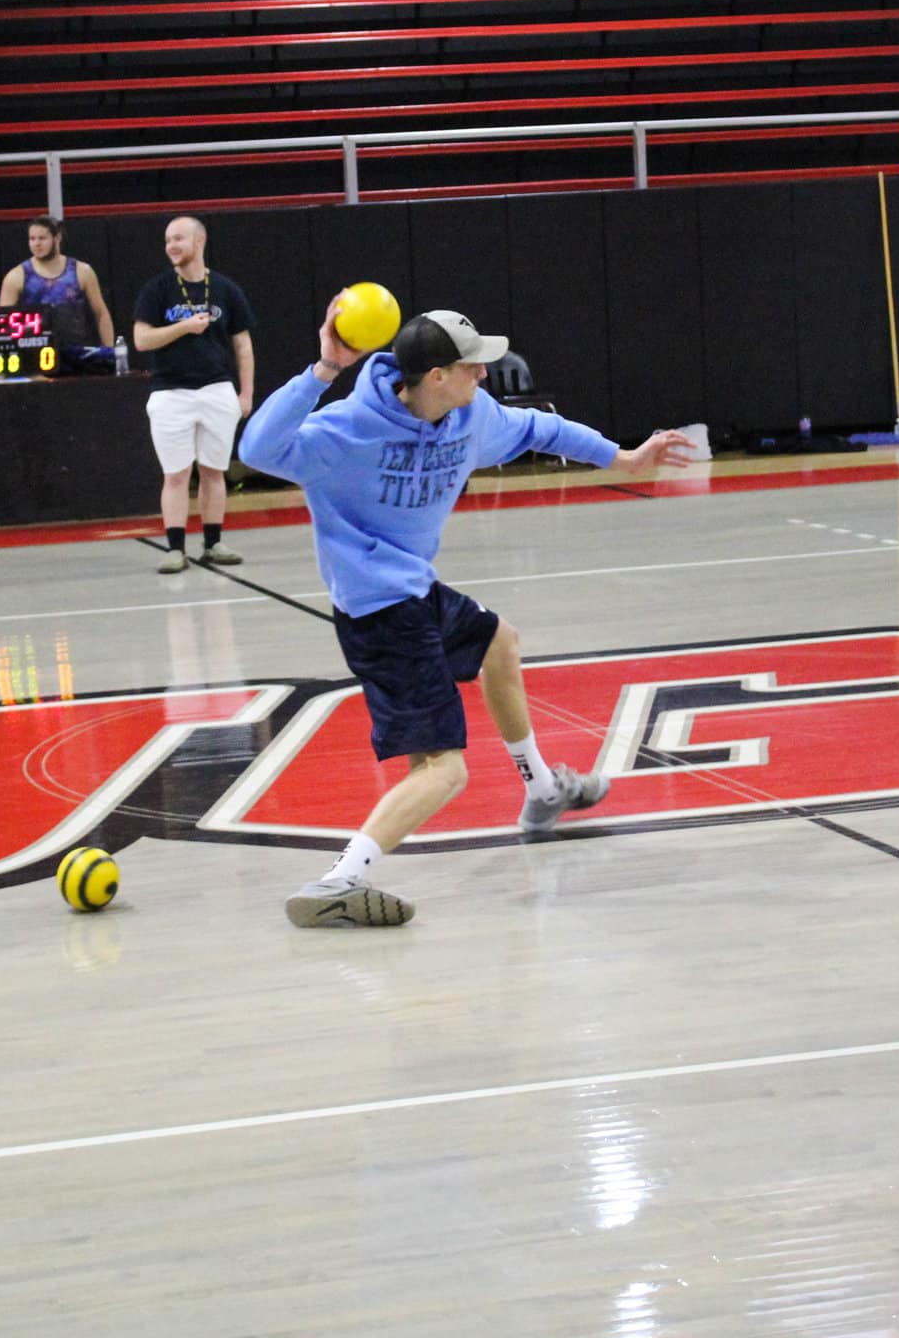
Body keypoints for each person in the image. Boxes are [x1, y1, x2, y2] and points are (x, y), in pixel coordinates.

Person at [240, 301, 698, 928]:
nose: (484, 376)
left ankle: (541, 791)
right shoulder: (345, 432)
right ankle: (340, 880)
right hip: (378, 612)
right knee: (444, 770)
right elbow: (259, 448)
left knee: (499, 643)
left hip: (417, 591)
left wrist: (623, 458)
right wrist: (323, 369)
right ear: (435, 377)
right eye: (472, 367)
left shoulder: (469, 416)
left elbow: (540, 429)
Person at [131, 216, 254, 573]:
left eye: (179, 239)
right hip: (171, 392)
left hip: (217, 389)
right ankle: (174, 548)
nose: (171, 245)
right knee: (176, 474)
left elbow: (243, 345)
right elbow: (142, 339)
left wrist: (245, 394)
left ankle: (213, 542)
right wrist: (183, 327)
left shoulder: (226, 289)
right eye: (168, 239)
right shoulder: (156, 290)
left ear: (199, 242)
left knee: (215, 472)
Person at [0, 215, 115, 350]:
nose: (36, 243)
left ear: (57, 238)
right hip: (34, 355)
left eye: (42, 238)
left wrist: (109, 351)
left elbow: (101, 313)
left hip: (75, 352)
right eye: (32, 239)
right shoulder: (16, 277)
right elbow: (3, 322)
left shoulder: (82, 271)